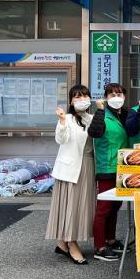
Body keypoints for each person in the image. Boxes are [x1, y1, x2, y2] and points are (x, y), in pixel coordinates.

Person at [46, 85, 95, 265]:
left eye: (85, 96)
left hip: (88, 165)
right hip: (70, 169)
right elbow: (61, 139)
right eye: (77, 97)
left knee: (81, 206)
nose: (81, 100)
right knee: (70, 207)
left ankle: (62, 243)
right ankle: (71, 244)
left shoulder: (92, 118)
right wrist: (61, 120)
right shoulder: (66, 118)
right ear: (71, 101)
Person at [88, 83, 128, 262]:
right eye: (112, 94)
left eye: (119, 94)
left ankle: (110, 240)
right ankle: (99, 246)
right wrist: (100, 110)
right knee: (103, 209)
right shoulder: (103, 115)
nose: (116, 97)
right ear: (106, 98)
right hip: (106, 167)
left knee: (115, 207)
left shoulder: (123, 115)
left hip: (122, 168)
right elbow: (94, 132)